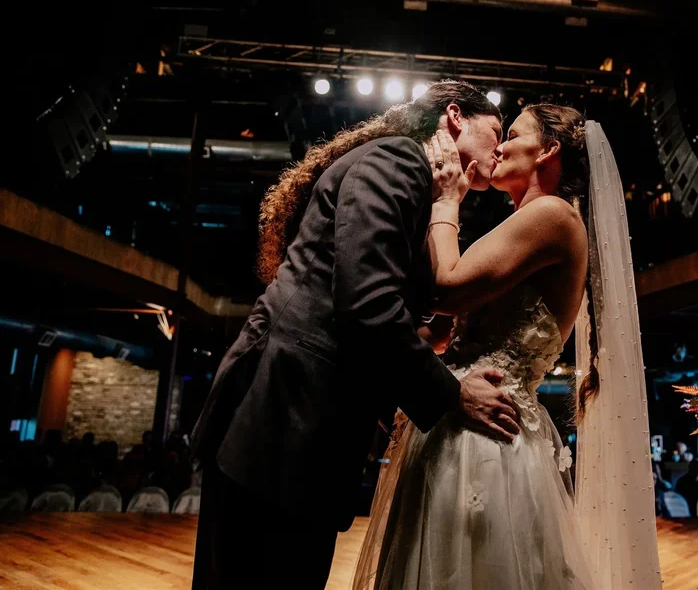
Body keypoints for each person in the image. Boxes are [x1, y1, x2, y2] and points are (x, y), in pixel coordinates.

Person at [189, 81, 521, 590]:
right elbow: (367, 306)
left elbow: (396, 305)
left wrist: (446, 206)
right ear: (455, 116)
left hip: (292, 424)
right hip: (281, 419)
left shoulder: (414, 177)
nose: (499, 149)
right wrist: (454, 395)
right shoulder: (398, 161)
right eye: (496, 132)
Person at [353, 107, 661, 589]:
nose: (498, 148)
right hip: (462, 417)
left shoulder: (553, 215)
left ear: (548, 150)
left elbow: (448, 287)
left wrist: (446, 202)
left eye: (512, 135)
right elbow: (445, 327)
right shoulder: (524, 222)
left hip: (487, 437)